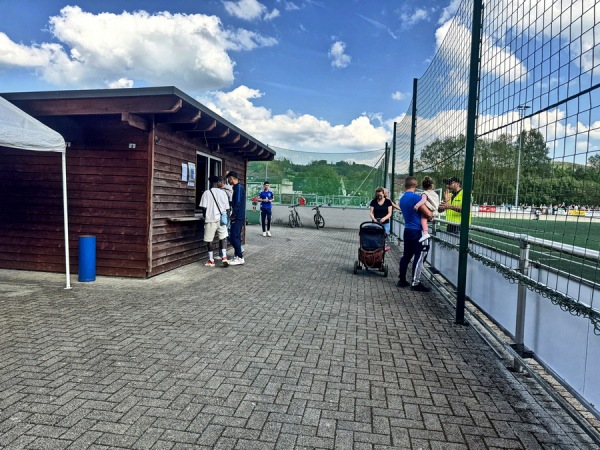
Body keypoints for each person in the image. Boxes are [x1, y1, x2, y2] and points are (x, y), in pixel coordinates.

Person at [398, 176, 434, 292]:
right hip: (418, 231)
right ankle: (415, 282)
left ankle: (402, 280)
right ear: (416, 186)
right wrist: (432, 215)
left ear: (405, 186)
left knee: (406, 255)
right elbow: (428, 214)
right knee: (420, 256)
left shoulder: (402, 199)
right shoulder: (416, 198)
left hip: (407, 230)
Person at [198, 175, 230, 267]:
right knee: (223, 238)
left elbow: (203, 208)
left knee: (209, 240)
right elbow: (227, 208)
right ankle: (224, 257)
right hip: (221, 220)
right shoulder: (223, 193)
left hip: (210, 219)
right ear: (218, 182)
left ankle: (211, 260)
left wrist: (205, 216)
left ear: (210, 182)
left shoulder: (206, 193)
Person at [225, 171, 246, 265]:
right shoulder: (237, 187)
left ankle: (240, 257)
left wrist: (233, 215)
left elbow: (237, 202)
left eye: (229, 179)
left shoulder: (239, 188)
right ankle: (237, 256)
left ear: (232, 178)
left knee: (234, 236)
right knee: (235, 236)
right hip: (238, 216)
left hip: (238, 217)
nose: (228, 181)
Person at [413, 176, 440, 242]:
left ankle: (425, 232)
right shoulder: (435, 194)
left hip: (428, 208)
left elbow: (423, 200)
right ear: (432, 185)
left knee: (423, 219)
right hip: (434, 210)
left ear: (423, 186)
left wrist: (417, 205)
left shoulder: (425, 193)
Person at [369, 187, 393, 251]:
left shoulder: (388, 202)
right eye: (378, 195)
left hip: (385, 222)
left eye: (380, 195)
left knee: (384, 234)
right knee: (374, 235)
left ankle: (382, 246)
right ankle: (375, 247)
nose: (379, 197)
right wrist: (374, 219)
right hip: (375, 222)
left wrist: (384, 218)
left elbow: (390, 213)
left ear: (383, 194)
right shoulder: (373, 201)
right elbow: (371, 212)